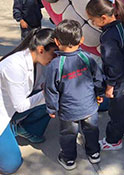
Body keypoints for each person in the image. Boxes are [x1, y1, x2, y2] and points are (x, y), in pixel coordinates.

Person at [0, 28, 57, 175]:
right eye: (54, 53)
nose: (55, 58)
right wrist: (47, 92)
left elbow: (40, 86)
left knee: (53, 100)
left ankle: (24, 129)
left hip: (11, 110)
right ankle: (5, 137)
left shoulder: (38, 61)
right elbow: (21, 106)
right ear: (41, 49)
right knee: (10, 165)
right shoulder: (14, 66)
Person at [44, 19, 104, 170]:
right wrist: (99, 93)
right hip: (90, 107)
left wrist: (51, 108)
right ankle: (94, 153)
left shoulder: (56, 65)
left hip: (68, 111)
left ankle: (69, 159)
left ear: (56, 42)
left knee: (68, 135)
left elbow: (51, 89)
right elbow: (98, 77)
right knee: (91, 130)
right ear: (81, 40)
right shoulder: (87, 58)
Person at [86, 0, 124, 151]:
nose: (92, 23)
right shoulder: (123, 25)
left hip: (119, 77)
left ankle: (114, 140)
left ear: (103, 18)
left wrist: (110, 85)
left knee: (116, 111)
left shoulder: (108, 36)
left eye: (92, 20)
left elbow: (113, 64)